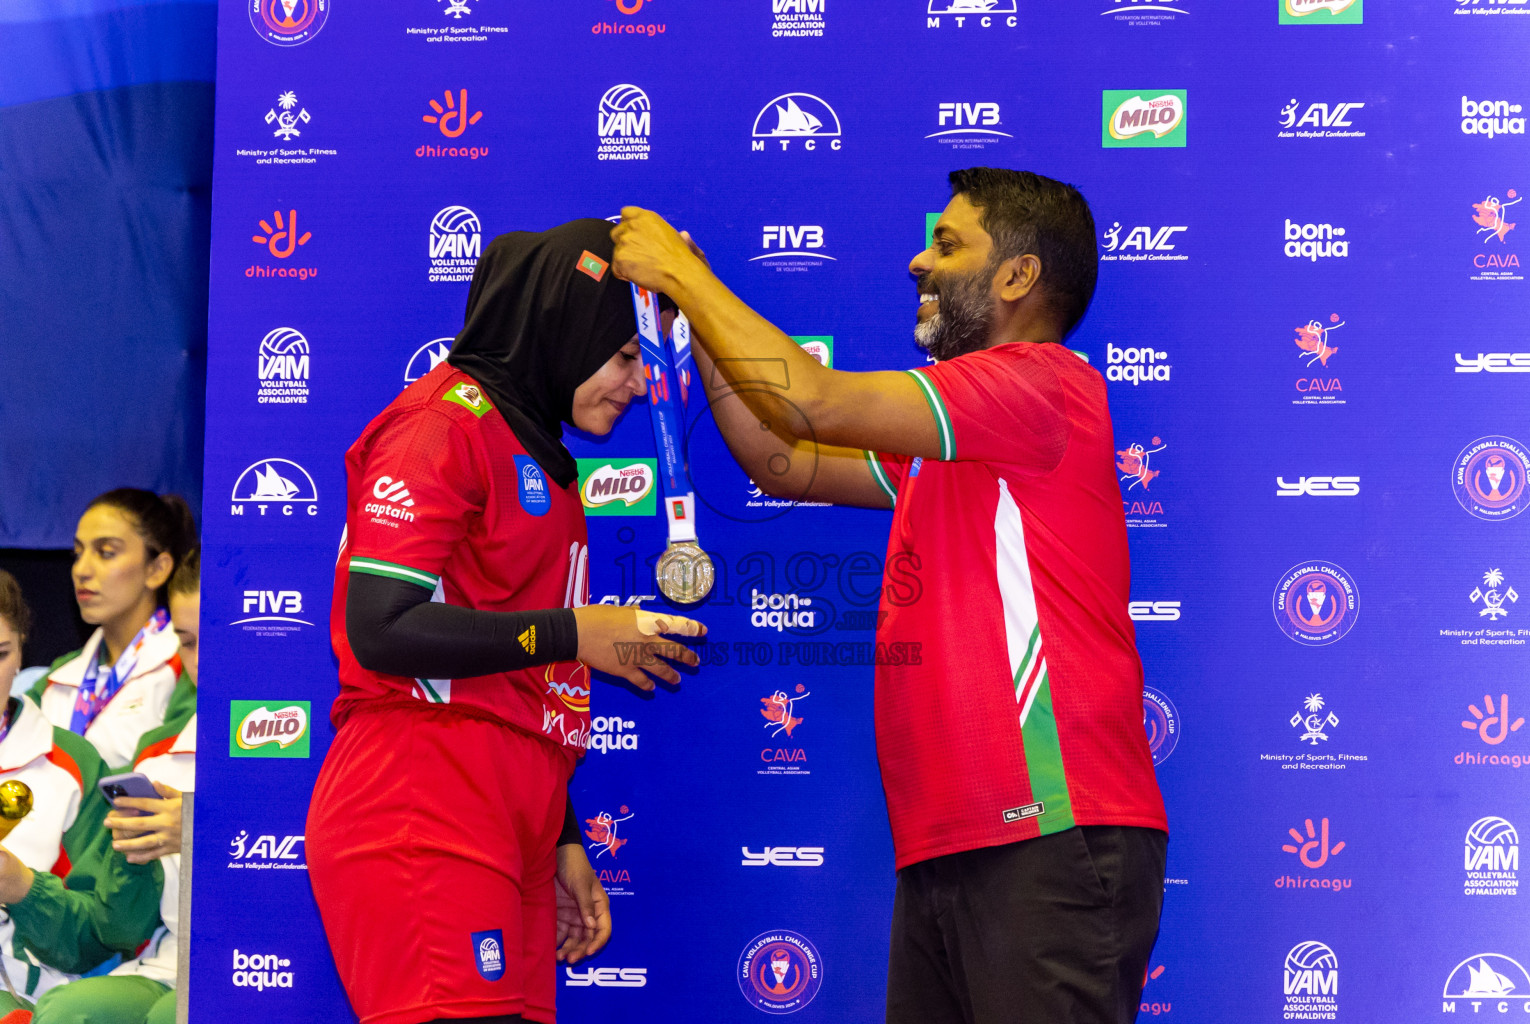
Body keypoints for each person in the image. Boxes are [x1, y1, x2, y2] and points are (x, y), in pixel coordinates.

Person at [611, 168, 1168, 1024]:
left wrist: (687, 277)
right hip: (952, 841)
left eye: (948, 244)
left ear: (1018, 277)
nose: (919, 261)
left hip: (1050, 830)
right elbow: (781, 457)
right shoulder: (949, 444)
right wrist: (701, 328)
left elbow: (811, 398)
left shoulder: (1039, 384)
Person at [307, 219, 705, 1024]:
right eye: (628, 356)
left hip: (510, 817)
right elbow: (383, 628)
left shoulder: (540, 456)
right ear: (562, 324)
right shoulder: (440, 426)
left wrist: (559, 837)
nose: (639, 384)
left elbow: (516, 673)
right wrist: (576, 632)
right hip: (419, 800)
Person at [31, 548, 200, 1024]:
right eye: (186, 642)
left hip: (276, 961)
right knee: (69, 1013)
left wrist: (198, 829)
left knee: (175, 1015)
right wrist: (133, 861)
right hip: (168, 964)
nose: (201, 661)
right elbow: (120, 927)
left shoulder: (314, 741)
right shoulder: (156, 755)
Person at [0, 572, 163, 1014]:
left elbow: (101, 937)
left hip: (22, 991)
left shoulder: (71, 765)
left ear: (20, 654)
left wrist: (23, 889)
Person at [32, 492, 197, 770]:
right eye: (77, 553)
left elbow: (167, 775)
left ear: (157, 569)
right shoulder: (58, 675)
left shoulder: (189, 666)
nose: (81, 570)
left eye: (106, 553)